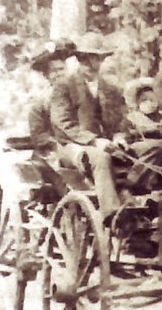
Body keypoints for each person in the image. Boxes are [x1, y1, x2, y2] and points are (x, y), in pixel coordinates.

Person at [49, 31, 125, 215]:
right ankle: (112, 214)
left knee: (150, 148)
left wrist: (119, 135)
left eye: (98, 59)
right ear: (80, 58)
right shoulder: (64, 86)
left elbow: (121, 119)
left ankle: (130, 197)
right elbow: (63, 122)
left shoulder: (111, 89)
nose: (93, 64)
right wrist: (94, 141)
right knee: (100, 158)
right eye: (88, 59)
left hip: (107, 144)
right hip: (72, 146)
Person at [27, 39, 76, 155]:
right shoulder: (39, 104)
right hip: (58, 150)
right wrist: (56, 144)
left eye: (61, 69)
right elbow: (38, 135)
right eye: (53, 71)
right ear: (46, 76)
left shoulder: (79, 93)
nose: (59, 74)